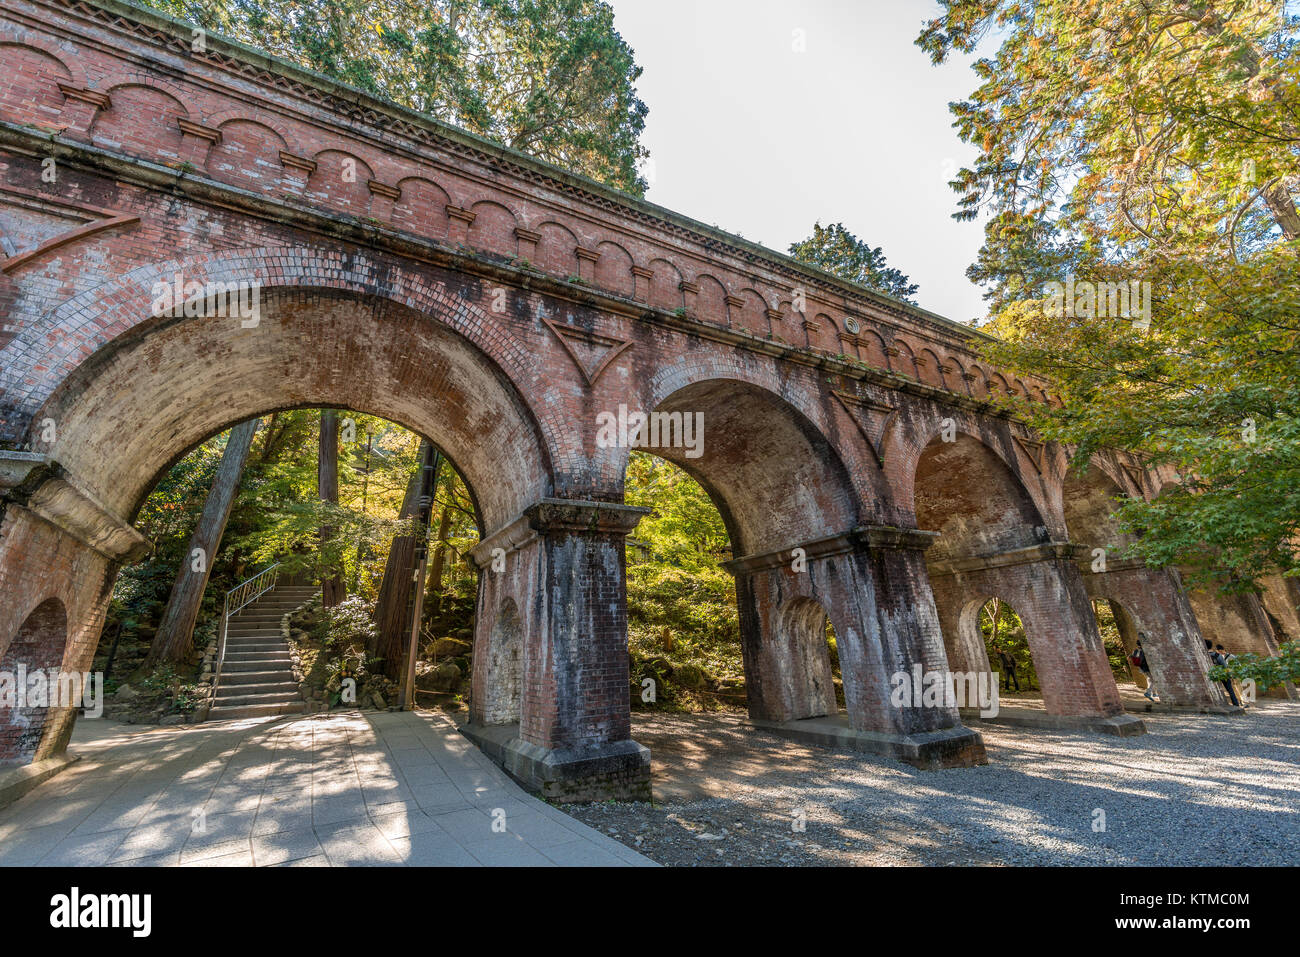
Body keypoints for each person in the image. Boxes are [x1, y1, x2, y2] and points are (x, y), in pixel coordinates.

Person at [1212, 643, 1242, 708]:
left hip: (1234, 675)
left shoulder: (1231, 656)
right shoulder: (1220, 657)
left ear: (1222, 650)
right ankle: (1238, 701)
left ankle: (1243, 702)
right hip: (1227, 676)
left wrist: (1234, 673)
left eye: (1220, 651)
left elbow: (1239, 665)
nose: (1219, 652)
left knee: (1238, 688)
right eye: (1218, 651)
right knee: (1233, 689)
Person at [1130, 636, 1157, 701]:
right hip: (1147, 668)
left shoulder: (1135, 650)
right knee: (1153, 680)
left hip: (1141, 668)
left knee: (1149, 679)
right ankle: (1148, 692)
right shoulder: (1144, 651)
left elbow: (1130, 657)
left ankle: (1154, 693)